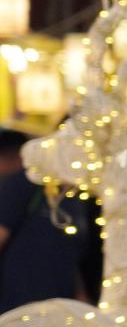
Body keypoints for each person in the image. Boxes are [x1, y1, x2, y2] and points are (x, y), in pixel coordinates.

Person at [0, 131, 93, 314]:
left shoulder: (77, 197)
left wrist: (82, 301)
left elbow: (70, 256)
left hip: (57, 313)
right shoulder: (27, 182)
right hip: (15, 310)